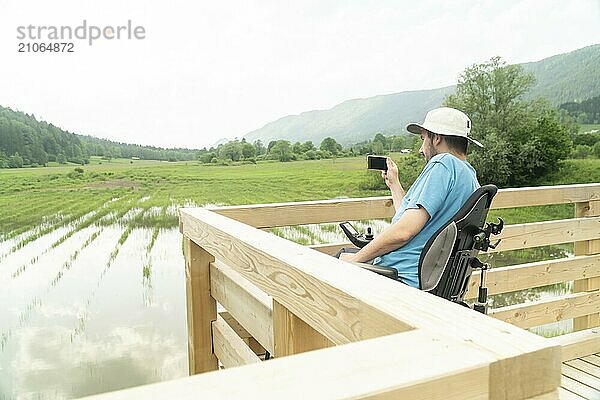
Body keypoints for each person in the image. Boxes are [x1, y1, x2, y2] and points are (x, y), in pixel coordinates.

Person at [340, 107, 483, 288]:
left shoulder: (442, 164)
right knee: (346, 255)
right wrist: (394, 184)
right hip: (428, 276)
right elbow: (411, 220)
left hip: (402, 276)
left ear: (436, 138)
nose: (421, 149)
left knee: (340, 258)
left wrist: (354, 261)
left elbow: (403, 232)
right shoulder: (469, 175)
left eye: (423, 139)